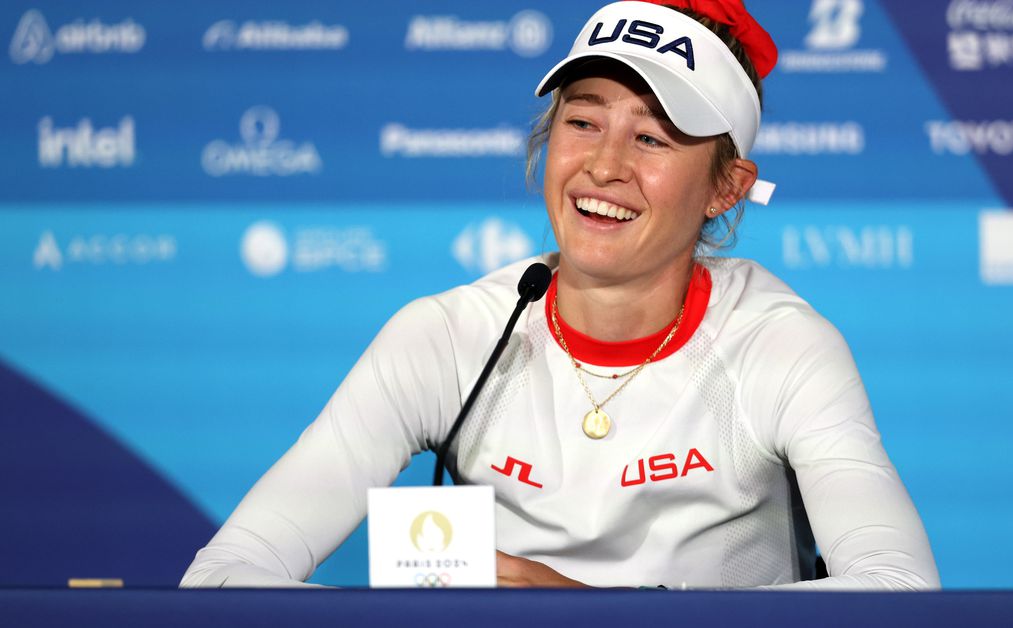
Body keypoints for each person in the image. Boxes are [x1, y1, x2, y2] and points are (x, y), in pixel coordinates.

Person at [181, 0, 938, 590]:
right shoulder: (448, 334)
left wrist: (587, 611)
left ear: (725, 189)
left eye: (651, 138)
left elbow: (898, 589)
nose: (603, 166)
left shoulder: (779, 344)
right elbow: (225, 573)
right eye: (582, 121)